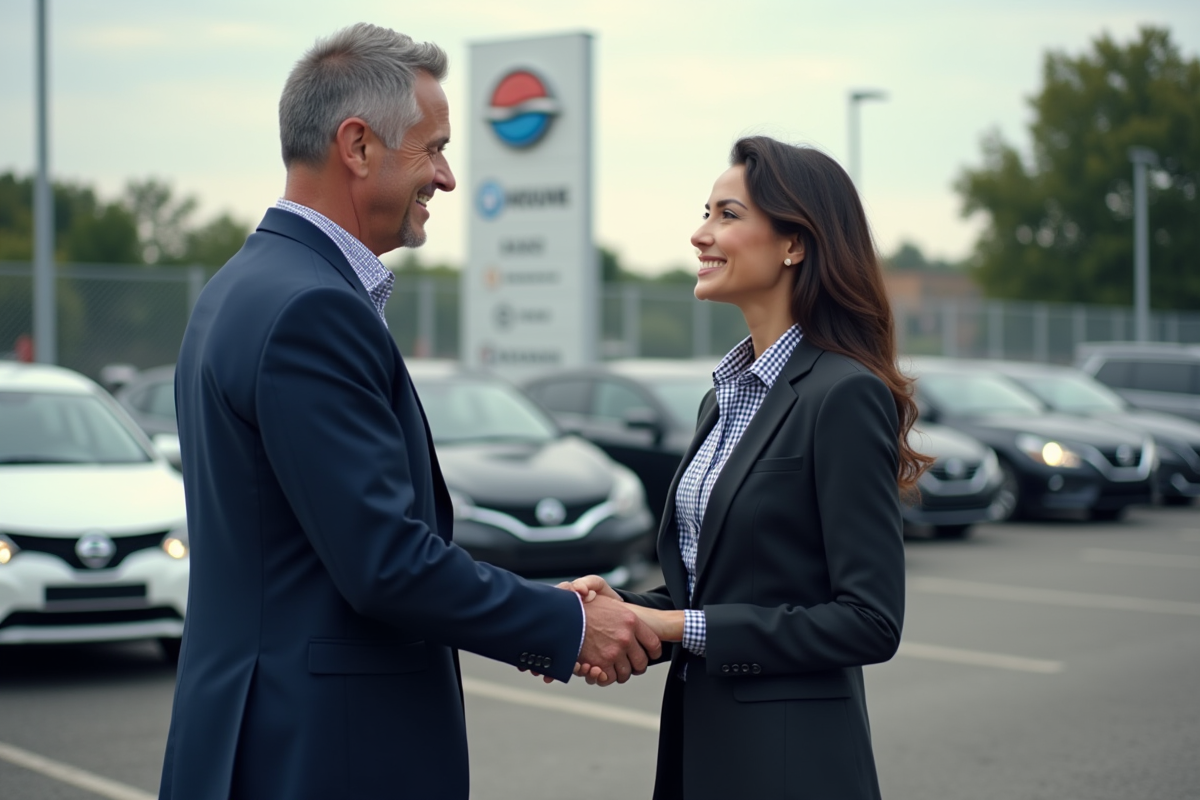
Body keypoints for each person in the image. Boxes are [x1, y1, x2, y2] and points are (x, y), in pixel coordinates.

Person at [158, 24, 659, 800]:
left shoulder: (237, 288)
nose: (449, 178)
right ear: (357, 146)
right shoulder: (313, 310)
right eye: (433, 150)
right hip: (324, 752)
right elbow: (385, 563)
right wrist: (568, 625)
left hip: (255, 734)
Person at [566, 136, 930, 800]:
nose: (701, 234)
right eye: (706, 212)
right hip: (699, 757)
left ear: (795, 244)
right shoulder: (723, 400)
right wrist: (623, 613)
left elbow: (869, 620)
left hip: (793, 768)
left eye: (727, 215)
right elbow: (717, 595)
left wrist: (672, 625)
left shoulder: (843, 395)